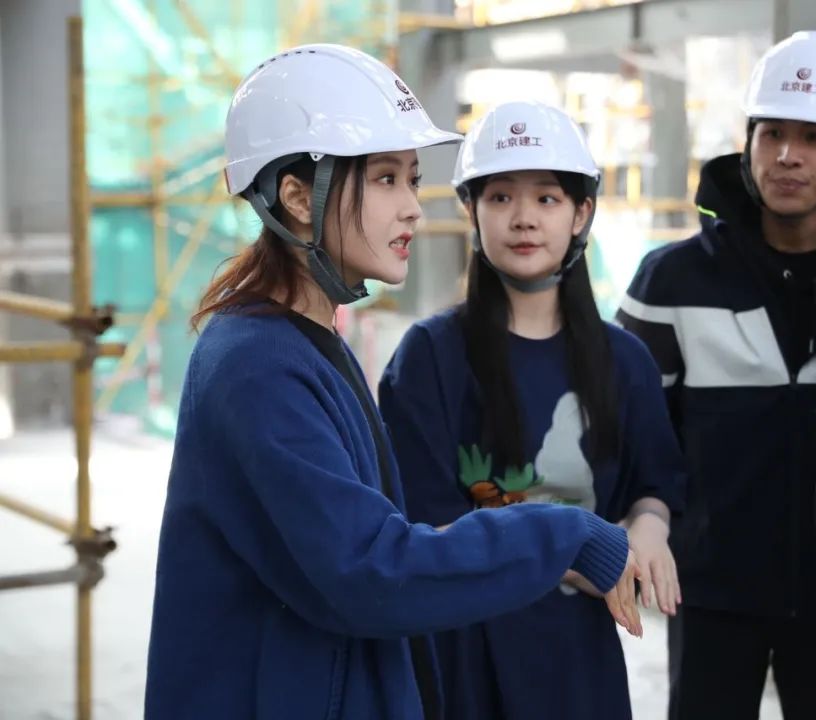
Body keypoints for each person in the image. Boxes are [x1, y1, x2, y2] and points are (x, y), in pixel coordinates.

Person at [144, 46, 643, 720]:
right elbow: (371, 570)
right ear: (297, 197)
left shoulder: (306, 342)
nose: (413, 208)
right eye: (385, 179)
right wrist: (565, 533)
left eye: (412, 179)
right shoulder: (257, 367)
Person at [617, 31, 816, 720]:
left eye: (814, 137)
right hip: (710, 594)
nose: (786, 156)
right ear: (747, 139)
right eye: (771, 132)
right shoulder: (672, 281)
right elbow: (632, 432)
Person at [378, 99, 686, 720]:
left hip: (580, 662)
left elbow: (654, 484)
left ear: (582, 213)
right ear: (471, 211)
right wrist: (577, 556)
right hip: (466, 656)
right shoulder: (429, 357)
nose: (523, 219)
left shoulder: (624, 361)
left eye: (547, 198)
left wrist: (650, 528)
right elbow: (423, 528)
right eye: (500, 198)